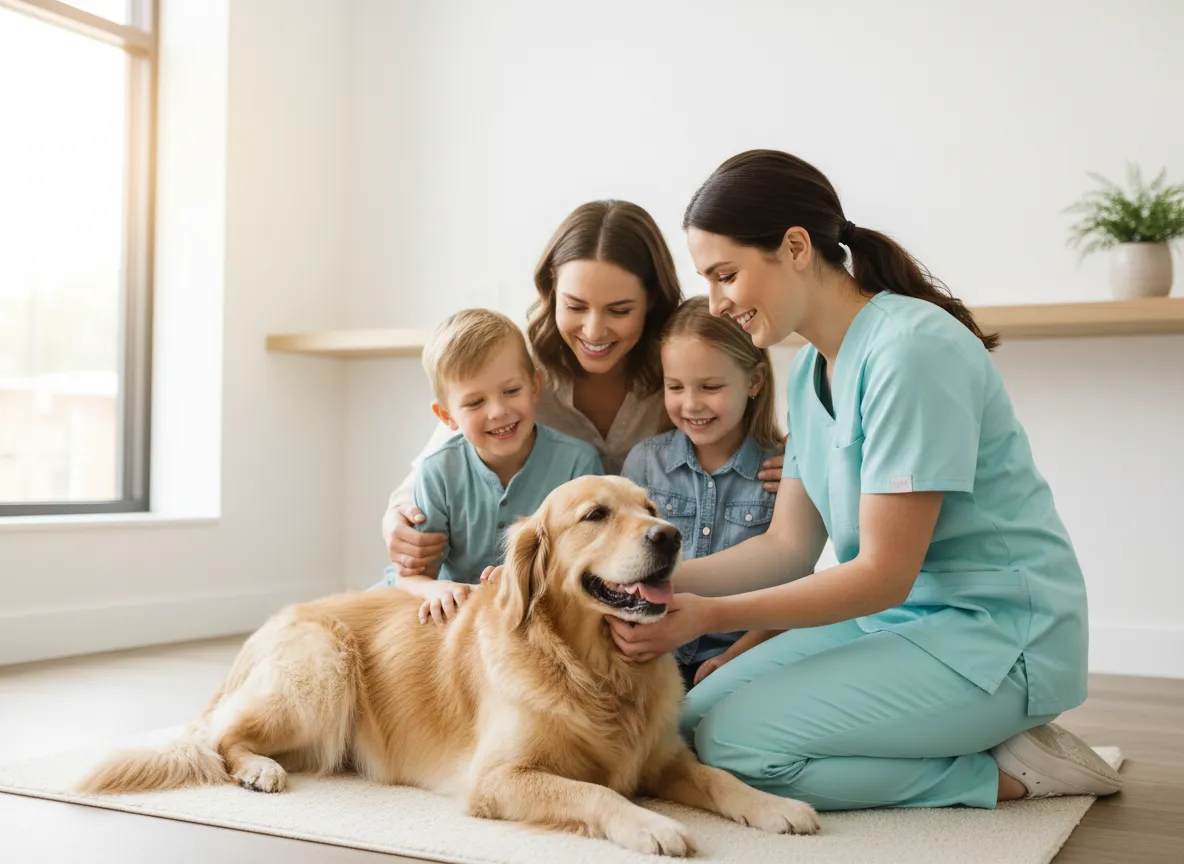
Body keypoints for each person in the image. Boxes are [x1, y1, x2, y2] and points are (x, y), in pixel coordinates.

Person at [609, 149, 1123, 811]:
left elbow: (884, 573)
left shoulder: (911, 352)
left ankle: (1008, 772)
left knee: (740, 747)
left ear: (795, 247)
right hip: (897, 623)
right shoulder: (811, 372)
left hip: (998, 634)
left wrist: (711, 616)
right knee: (680, 728)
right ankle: (946, 735)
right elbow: (786, 550)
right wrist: (643, 579)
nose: (717, 302)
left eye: (726, 274)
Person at [382, 200, 785, 579]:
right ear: (552, 290)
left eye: (619, 310)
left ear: (651, 302)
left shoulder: (679, 374)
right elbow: (441, 459)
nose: (593, 331)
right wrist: (398, 518)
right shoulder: (516, 374)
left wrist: (795, 472)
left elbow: (742, 431)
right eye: (575, 307)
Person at [370, 309, 602, 625]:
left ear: (535, 386)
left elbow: (592, 563)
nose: (498, 411)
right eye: (475, 403)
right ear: (446, 415)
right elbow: (410, 577)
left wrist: (525, 578)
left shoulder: (579, 462)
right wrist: (435, 588)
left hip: (538, 611)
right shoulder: (438, 470)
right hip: (456, 613)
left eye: (511, 391)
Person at [622, 296, 784, 692]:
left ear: (755, 380)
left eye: (710, 387)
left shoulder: (783, 473)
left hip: (742, 655)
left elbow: (791, 594)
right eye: (675, 387)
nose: (691, 404)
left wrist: (731, 659)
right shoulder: (645, 464)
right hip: (650, 656)